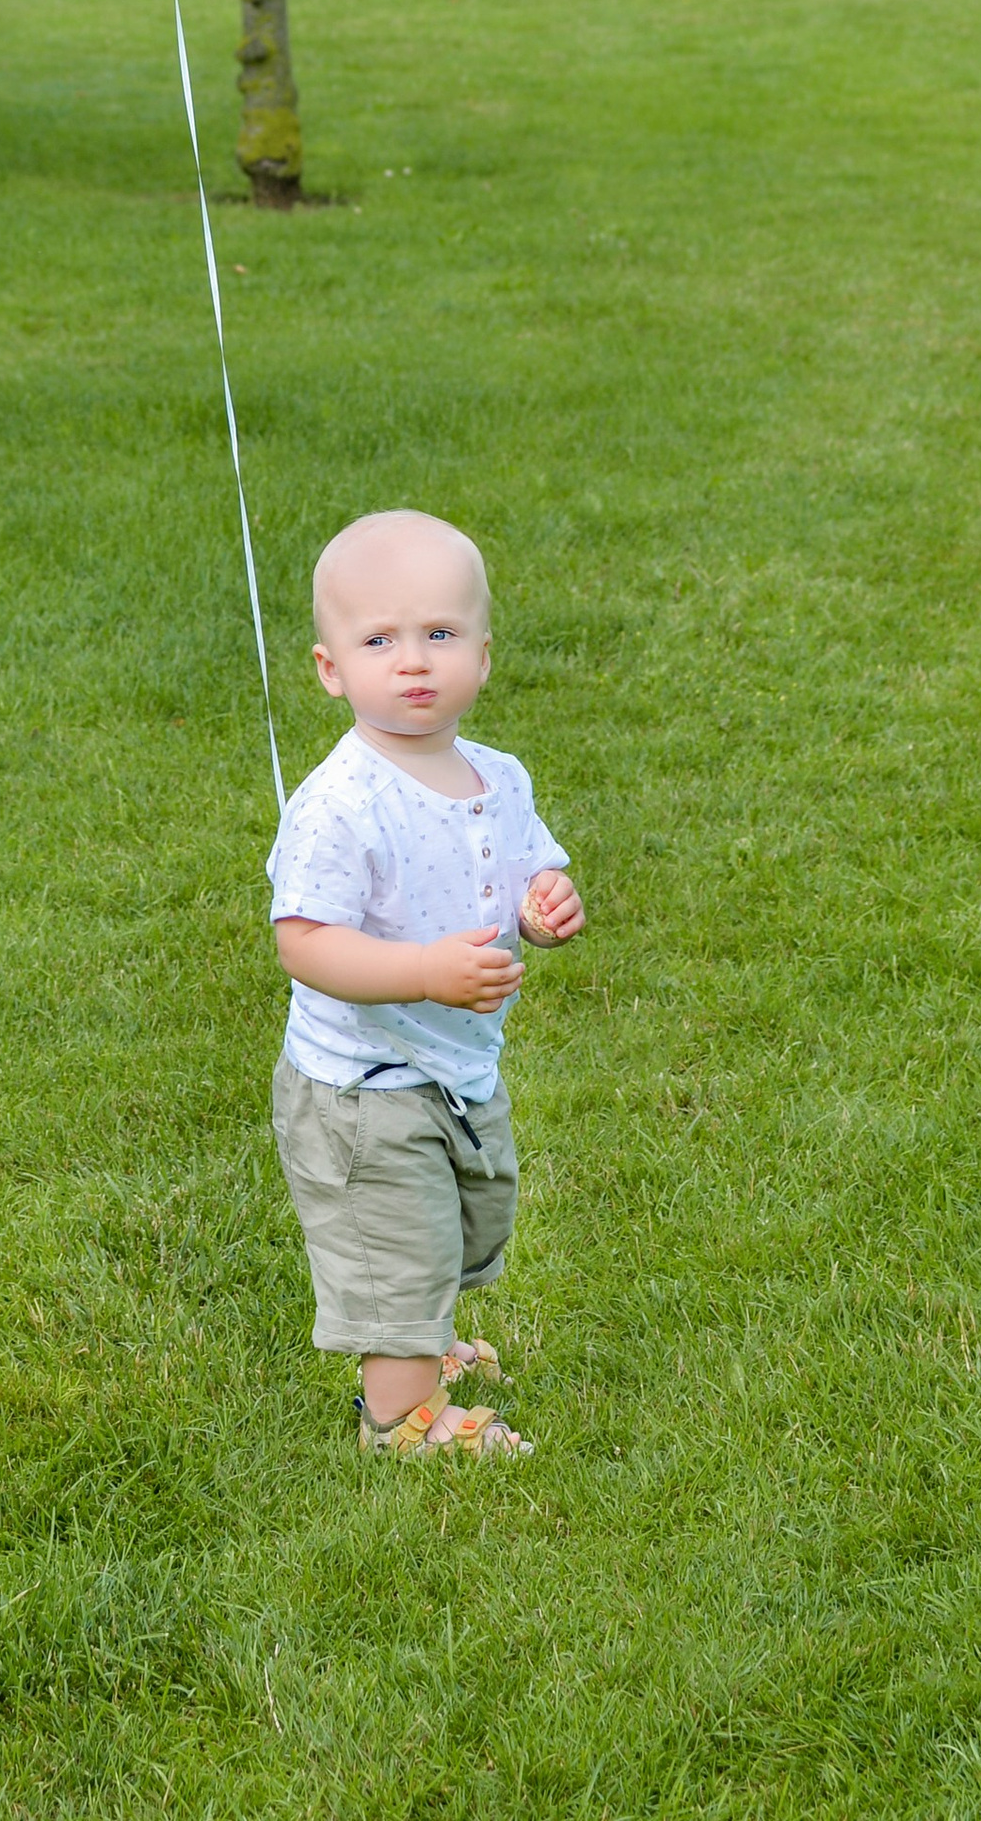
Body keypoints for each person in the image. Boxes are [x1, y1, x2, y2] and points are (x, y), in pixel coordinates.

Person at [267, 506, 584, 1456]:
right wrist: (423, 972)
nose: (413, 660)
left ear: (483, 656)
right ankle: (401, 1423)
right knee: (396, 1239)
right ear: (333, 669)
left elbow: (529, 866)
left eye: (439, 634)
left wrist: (546, 903)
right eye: (379, 639)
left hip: (456, 1067)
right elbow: (304, 941)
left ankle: (430, 1346)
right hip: (361, 1084)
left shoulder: (500, 775)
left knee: (462, 1217)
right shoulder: (340, 801)